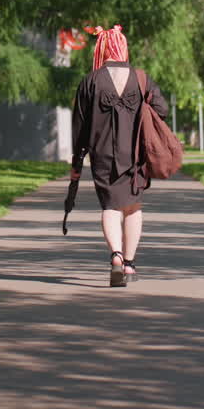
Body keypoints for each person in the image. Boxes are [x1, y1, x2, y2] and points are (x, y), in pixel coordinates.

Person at [66, 25, 168, 287]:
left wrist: (77, 162)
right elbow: (162, 109)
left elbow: (79, 126)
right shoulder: (141, 78)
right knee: (133, 207)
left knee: (110, 207)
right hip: (135, 154)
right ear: (122, 46)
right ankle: (130, 265)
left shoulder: (90, 81)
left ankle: (116, 255)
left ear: (101, 48)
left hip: (102, 155)